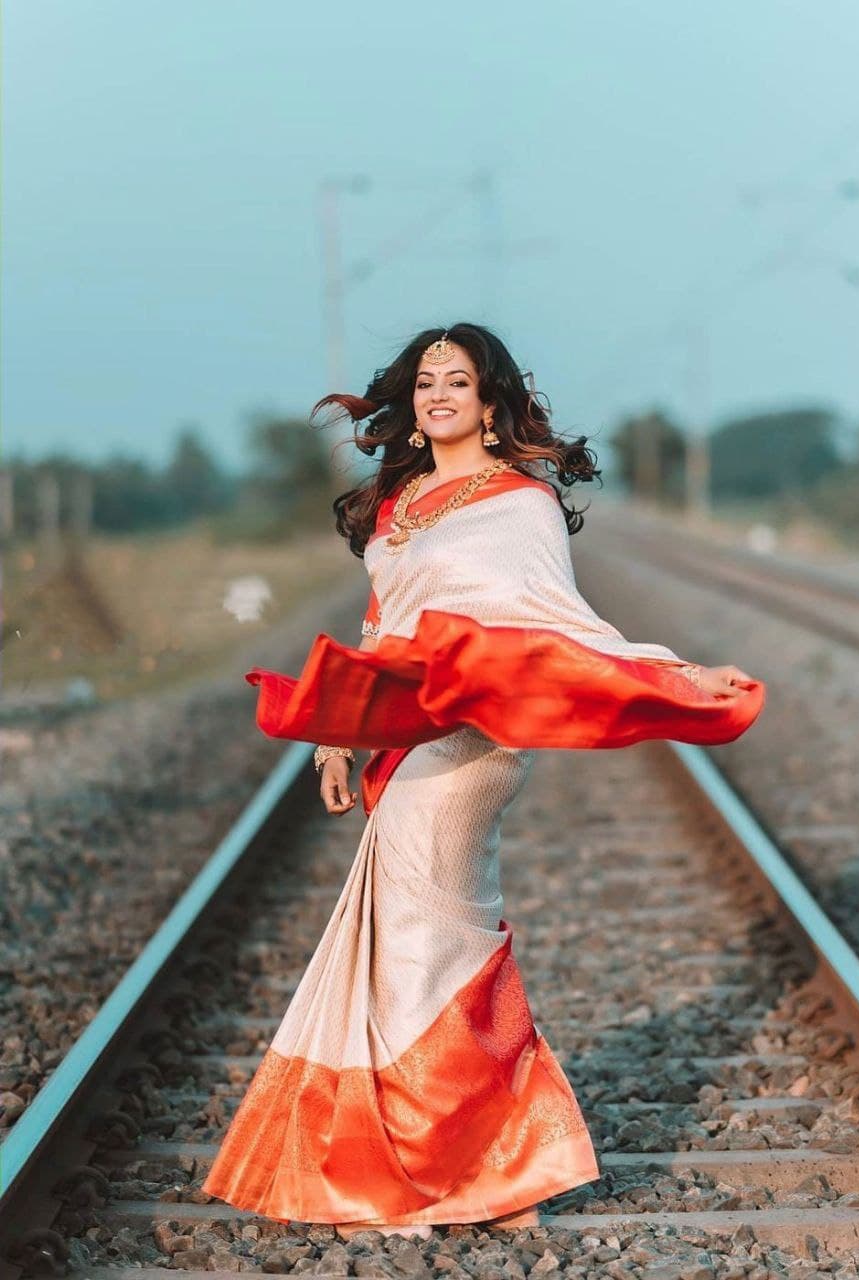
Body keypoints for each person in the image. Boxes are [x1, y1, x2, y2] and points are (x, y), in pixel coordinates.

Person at [201, 323, 765, 1234]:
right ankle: (484, 1160)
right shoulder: (402, 503)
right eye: (425, 381)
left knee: (427, 936)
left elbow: (568, 625)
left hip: (474, 745)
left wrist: (681, 673)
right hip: (404, 739)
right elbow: (384, 626)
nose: (436, 394)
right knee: (418, 938)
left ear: (490, 403)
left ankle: (452, 1164)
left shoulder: (519, 504)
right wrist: (334, 736)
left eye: (456, 381)